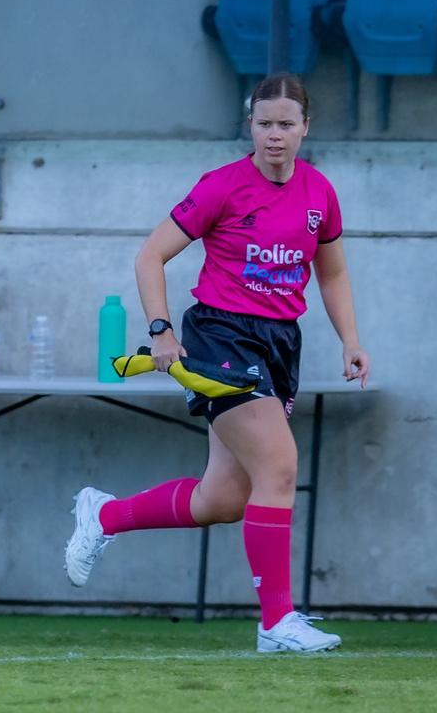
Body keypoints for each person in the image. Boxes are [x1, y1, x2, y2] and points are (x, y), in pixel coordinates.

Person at [64, 74, 370, 654]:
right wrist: (160, 330)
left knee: (222, 501)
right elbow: (150, 255)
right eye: (264, 124)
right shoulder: (222, 187)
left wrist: (350, 339)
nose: (274, 136)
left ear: (306, 127)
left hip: (280, 343)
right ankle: (277, 623)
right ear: (249, 125)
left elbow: (332, 272)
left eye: (286, 124)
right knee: (279, 466)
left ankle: (103, 516)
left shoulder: (320, 193)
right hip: (219, 338)